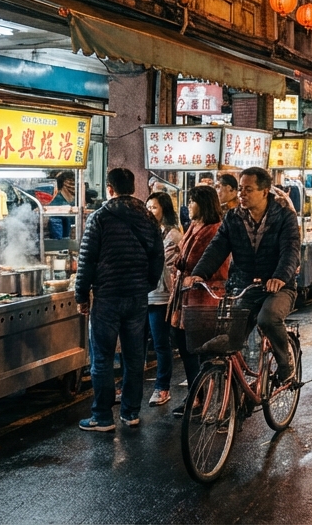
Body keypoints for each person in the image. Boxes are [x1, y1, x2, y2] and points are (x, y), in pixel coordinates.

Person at [186, 167, 302, 383]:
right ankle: (239, 396)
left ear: (265, 191)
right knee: (230, 338)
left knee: (267, 318)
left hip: (279, 287)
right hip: (244, 287)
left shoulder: (284, 217)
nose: (242, 194)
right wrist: (199, 273)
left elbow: (291, 249)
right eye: (240, 189)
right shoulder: (233, 218)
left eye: (248, 189)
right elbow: (217, 248)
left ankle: (286, 365)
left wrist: (279, 276)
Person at [76, 168, 164, 432]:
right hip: (137, 297)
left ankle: (102, 417)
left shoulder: (100, 217)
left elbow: (86, 260)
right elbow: (157, 258)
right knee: (134, 357)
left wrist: (81, 295)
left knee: (101, 358)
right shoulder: (148, 217)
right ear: (133, 187)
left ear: (110, 188)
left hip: (107, 297)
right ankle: (130, 413)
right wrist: (145, 284)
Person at [166, 186, 226, 411]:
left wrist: (180, 262)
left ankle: (202, 397)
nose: (188, 206)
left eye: (192, 201)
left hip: (204, 296)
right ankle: (196, 395)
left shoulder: (214, 230)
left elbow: (189, 261)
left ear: (204, 204)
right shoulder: (193, 226)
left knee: (198, 349)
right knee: (184, 346)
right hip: (184, 295)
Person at [145, 191, 183, 407]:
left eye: (154, 208)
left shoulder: (173, 236)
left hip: (161, 297)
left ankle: (162, 387)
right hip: (143, 296)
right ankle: (128, 387)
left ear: (164, 210)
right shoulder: (147, 232)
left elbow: (167, 268)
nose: (150, 212)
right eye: (148, 208)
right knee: (138, 346)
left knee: (161, 344)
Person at [47, 171, 77, 239]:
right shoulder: (57, 204)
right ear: (64, 184)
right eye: (71, 183)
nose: (74, 186)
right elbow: (57, 237)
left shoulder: (74, 202)